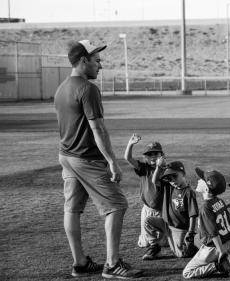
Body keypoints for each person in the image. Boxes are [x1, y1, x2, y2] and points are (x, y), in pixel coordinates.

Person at [54, 40, 142, 279]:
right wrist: (112, 161)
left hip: (66, 156)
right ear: (83, 60)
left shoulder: (61, 88)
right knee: (117, 205)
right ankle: (112, 264)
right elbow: (98, 129)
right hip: (86, 158)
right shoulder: (87, 89)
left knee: (71, 209)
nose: (100, 65)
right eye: (97, 60)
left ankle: (80, 263)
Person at [183, 167, 230, 278]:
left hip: (216, 247)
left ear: (206, 189)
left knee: (187, 273)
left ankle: (219, 265)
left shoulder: (205, 207)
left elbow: (213, 232)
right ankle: (227, 256)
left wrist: (221, 251)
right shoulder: (220, 201)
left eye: (202, 180)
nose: (198, 180)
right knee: (197, 237)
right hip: (227, 241)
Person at [143, 160, 199, 259]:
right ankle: (155, 246)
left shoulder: (189, 192)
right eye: (169, 178)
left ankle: (197, 244)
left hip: (180, 229)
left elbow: (193, 214)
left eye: (175, 176)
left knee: (181, 254)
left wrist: (191, 233)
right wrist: (159, 167)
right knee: (148, 221)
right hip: (166, 224)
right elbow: (155, 181)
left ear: (183, 174)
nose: (173, 180)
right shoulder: (169, 186)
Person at [123, 135, 168, 248]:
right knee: (145, 244)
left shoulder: (167, 170)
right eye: (149, 154)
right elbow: (128, 158)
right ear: (145, 158)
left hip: (163, 210)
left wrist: (161, 167)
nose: (153, 156)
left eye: (156, 154)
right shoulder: (144, 168)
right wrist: (130, 144)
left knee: (163, 243)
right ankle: (143, 237)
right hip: (148, 209)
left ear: (162, 155)